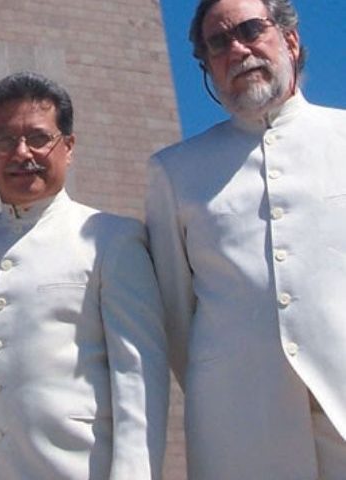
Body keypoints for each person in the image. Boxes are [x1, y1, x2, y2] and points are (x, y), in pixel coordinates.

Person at [145, 0, 346, 478]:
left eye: (251, 30)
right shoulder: (175, 172)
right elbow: (175, 315)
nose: (238, 49)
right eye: (218, 43)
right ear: (208, 66)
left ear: (291, 41)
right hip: (241, 428)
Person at [0, 72, 169, 479]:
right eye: (5, 140)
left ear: (68, 146)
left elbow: (138, 380)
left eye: (39, 138)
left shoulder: (111, 240)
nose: (22, 152)